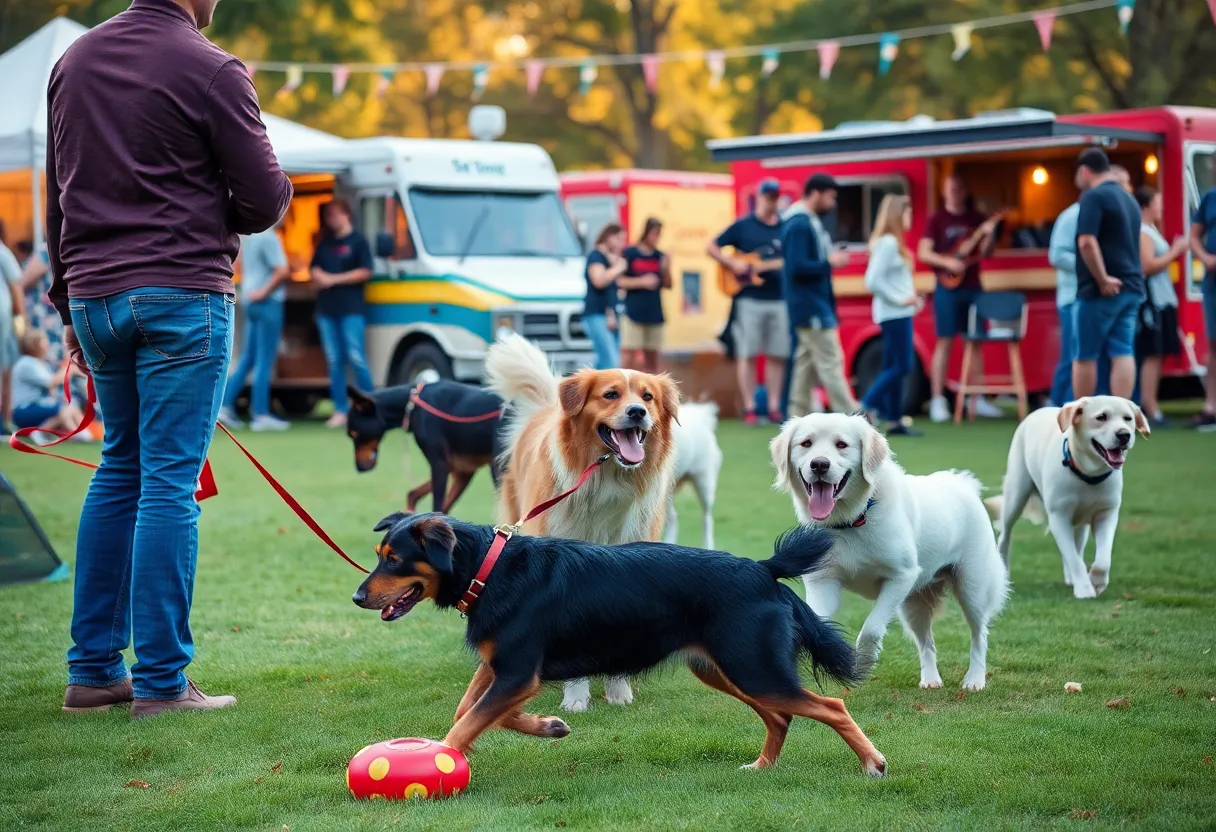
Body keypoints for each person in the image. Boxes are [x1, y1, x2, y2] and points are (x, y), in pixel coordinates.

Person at [48, 0, 292, 716]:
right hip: (182, 294)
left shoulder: (75, 60)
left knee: (120, 467)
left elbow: (59, 194)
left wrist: (68, 306)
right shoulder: (213, 68)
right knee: (166, 483)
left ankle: (93, 671)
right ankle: (159, 682)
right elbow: (265, 200)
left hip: (94, 295)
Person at [917, 175, 1003, 422]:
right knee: (944, 341)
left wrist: (988, 234)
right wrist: (948, 262)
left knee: (975, 341)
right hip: (947, 288)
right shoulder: (936, 219)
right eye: (951, 188)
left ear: (965, 191)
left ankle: (977, 398)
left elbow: (986, 253)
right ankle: (937, 400)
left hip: (974, 286)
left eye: (958, 188)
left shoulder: (976, 217)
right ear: (945, 192)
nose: (955, 192)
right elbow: (924, 252)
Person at [707, 178, 788, 425]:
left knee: (777, 353)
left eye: (775, 197)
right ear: (760, 197)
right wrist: (732, 263)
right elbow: (712, 246)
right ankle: (751, 407)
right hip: (749, 298)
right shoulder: (744, 226)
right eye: (768, 196)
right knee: (748, 352)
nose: (772, 201)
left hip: (778, 298)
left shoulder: (785, 228)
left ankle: (774, 406)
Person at [1071, 148, 1144, 400]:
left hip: (1100, 290)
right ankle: (1122, 416)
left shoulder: (1093, 197)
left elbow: (1086, 242)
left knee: (1085, 354)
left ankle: (1080, 420)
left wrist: (1102, 279)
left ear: (1084, 171)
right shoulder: (1129, 199)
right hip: (1132, 286)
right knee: (1123, 351)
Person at [782, 173, 856, 416]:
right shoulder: (799, 224)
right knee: (831, 362)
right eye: (831, 196)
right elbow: (796, 267)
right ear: (816, 193)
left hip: (809, 305)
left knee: (804, 364)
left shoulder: (803, 221)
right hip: (811, 305)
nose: (833, 203)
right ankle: (850, 416)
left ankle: (796, 415)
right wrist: (829, 262)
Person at [218, 223, 292, 431]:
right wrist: (264, 292)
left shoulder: (250, 237)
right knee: (264, 360)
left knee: (248, 358)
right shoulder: (270, 237)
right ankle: (261, 414)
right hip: (267, 303)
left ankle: (225, 405)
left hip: (250, 300)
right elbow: (282, 270)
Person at [860, 195, 923, 436]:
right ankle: (866, 406)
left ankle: (895, 420)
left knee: (893, 364)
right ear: (898, 215)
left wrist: (909, 297)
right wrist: (901, 299)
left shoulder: (891, 243)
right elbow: (872, 280)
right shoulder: (887, 243)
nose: (910, 218)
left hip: (897, 312)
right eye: (907, 213)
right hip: (894, 313)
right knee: (902, 365)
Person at [311, 198, 374, 428]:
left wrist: (333, 279)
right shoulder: (325, 243)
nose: (332, 220)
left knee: (356, 357)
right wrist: (319, 276)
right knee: (335, 361)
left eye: (336, 214)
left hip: (352, 309)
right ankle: (340, 409)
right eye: (329, 216)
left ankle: (369, 402)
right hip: (327, 310)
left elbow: (366, 271)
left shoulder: (358, 242)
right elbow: (314, 269)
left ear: (347, 214)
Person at [1133, 186, 1188, 427]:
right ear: (1146, 206)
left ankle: (1151, 404)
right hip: (1152, 300)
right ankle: (1149, 407)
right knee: (1152, 353)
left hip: (1163, 298)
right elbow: (1147, 266)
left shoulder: (1152, 230)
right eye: (1157, 202)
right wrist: (1175, 251)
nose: (1161, 207)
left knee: (1159, 352)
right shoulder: (1143, 231)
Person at [10, 330, 87, 439]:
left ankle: (82, 433)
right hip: (23, 410)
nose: (47, 343)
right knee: (64, 409)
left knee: (70, 407)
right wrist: (69, 369)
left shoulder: (38, 363)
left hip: (34, 407)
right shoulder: (27, 363)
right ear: (34, 343)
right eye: (44, 340)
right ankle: (75, 435)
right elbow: (51, 382)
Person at [619, 218, 671, 374]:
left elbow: (668, 284)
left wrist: (667, 268)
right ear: (646, 232)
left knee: (653, 357)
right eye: (655, 234)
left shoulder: (659, 256)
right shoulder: (630, 254)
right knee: (629, 355)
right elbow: (619, 281)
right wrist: (642, 282)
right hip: (633, 312)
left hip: (654, 313)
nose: (657, 238)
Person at [1048, 182, 1083, 407]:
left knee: (1080, 355)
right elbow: (1057, 255)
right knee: (1072, 356)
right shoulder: (1071, 216)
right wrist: (1090, 265)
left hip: (1089, 297)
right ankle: (1058, 403)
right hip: (1072, 297)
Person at [1189, 154, 1216, 430]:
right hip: (1213, 283)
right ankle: (1211, 407)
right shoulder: (1210, 198)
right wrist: (1205, 258)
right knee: (1213, 345)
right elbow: (1194, 235)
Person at [581, 223, 627, 370]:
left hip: (609, 316)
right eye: (619, 239)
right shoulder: (596, 256)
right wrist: (618, 268)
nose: (622, 244)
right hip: (596, 314)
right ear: (609, 237)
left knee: (605, 363)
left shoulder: (609, 260)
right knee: (610, 362)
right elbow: (599, 281)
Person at [0, 224, 25, 434]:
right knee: (4, 368)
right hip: (3, 316)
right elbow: (16, 287)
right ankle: (4, 420)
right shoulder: (3, 252)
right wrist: (21, 318)